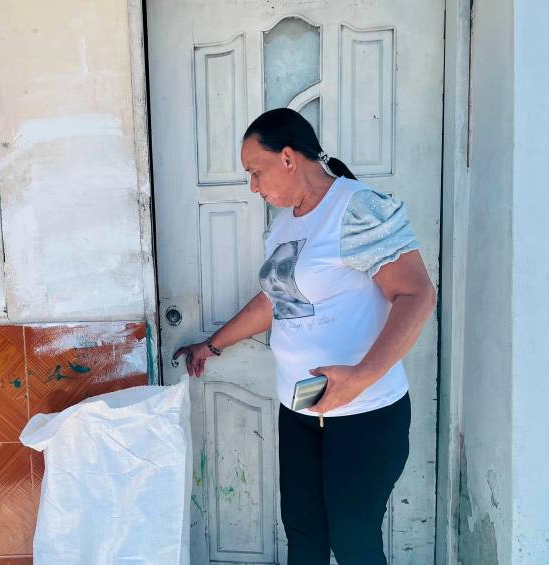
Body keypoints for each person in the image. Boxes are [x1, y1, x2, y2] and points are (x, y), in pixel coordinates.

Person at [173, 108, 436, 565]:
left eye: (256, 172)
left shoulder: (356, 208)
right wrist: (212, 344)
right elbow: (274, 301)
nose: (254, 186)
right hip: (299, 407)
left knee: (354, 542)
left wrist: (360, 377)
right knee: (304, 535)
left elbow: (416, 294)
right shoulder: (286, 224)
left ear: (289, 158)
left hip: (364, 412)